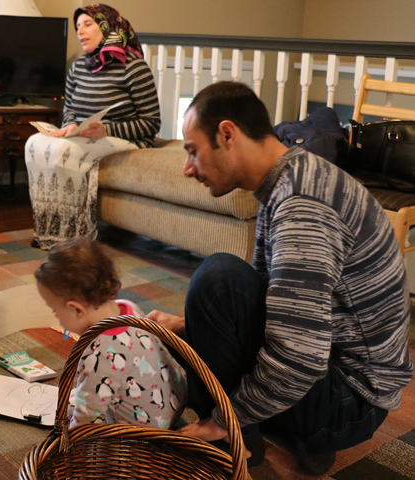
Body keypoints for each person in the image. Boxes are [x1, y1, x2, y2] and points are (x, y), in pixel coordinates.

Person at [148, 81, 413, 475]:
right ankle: (299, 434)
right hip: (337, 372)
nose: (188, 168)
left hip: (351, 400)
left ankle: (244, 443)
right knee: (198, 326)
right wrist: (188, 325)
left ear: (227, 134)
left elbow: (299, 357)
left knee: (218, 280)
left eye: (192, 151)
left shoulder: (301, 203)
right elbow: (272, 302)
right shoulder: (291, 178)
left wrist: (224, 420)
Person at [25, 4, 161, 250]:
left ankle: (73, 237)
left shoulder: (134, 67)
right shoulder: (78, 67)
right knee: (33, 144)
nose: (80, 31)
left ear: (108, 27)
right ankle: (46, 231)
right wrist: (70, 125)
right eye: (78, 26)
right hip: (85, 135)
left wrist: (107, 130)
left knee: (67, 152)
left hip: (125, 139)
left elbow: (151, 123)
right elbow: (70, 109)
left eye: (88, 24)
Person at [35, 238, 187, 429]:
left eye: (55, 311)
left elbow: (86, 419)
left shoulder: (98, 353)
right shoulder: (128, 307)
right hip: (174, 401)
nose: (56, 318)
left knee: (75, 407)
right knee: (83, 393)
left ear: (77, 309)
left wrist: (68, 439)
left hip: (141, 432)